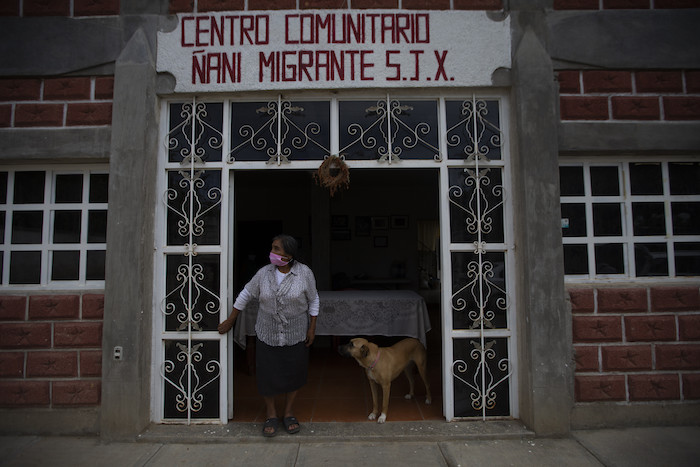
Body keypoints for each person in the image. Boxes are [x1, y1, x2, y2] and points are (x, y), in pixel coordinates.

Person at [218, 234, 319, 437]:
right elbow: (246, 293)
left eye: (276, 249)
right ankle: (271, 414)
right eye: (272, 248)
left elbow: (314, 300)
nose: (271, 253)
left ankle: (288, 412)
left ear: (289, 254)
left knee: (294, 374)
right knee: (267, 376)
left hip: (295, 333)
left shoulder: (304, 273)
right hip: (267, 333)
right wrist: (231, 319)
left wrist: (312, 329)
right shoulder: (263, 273)